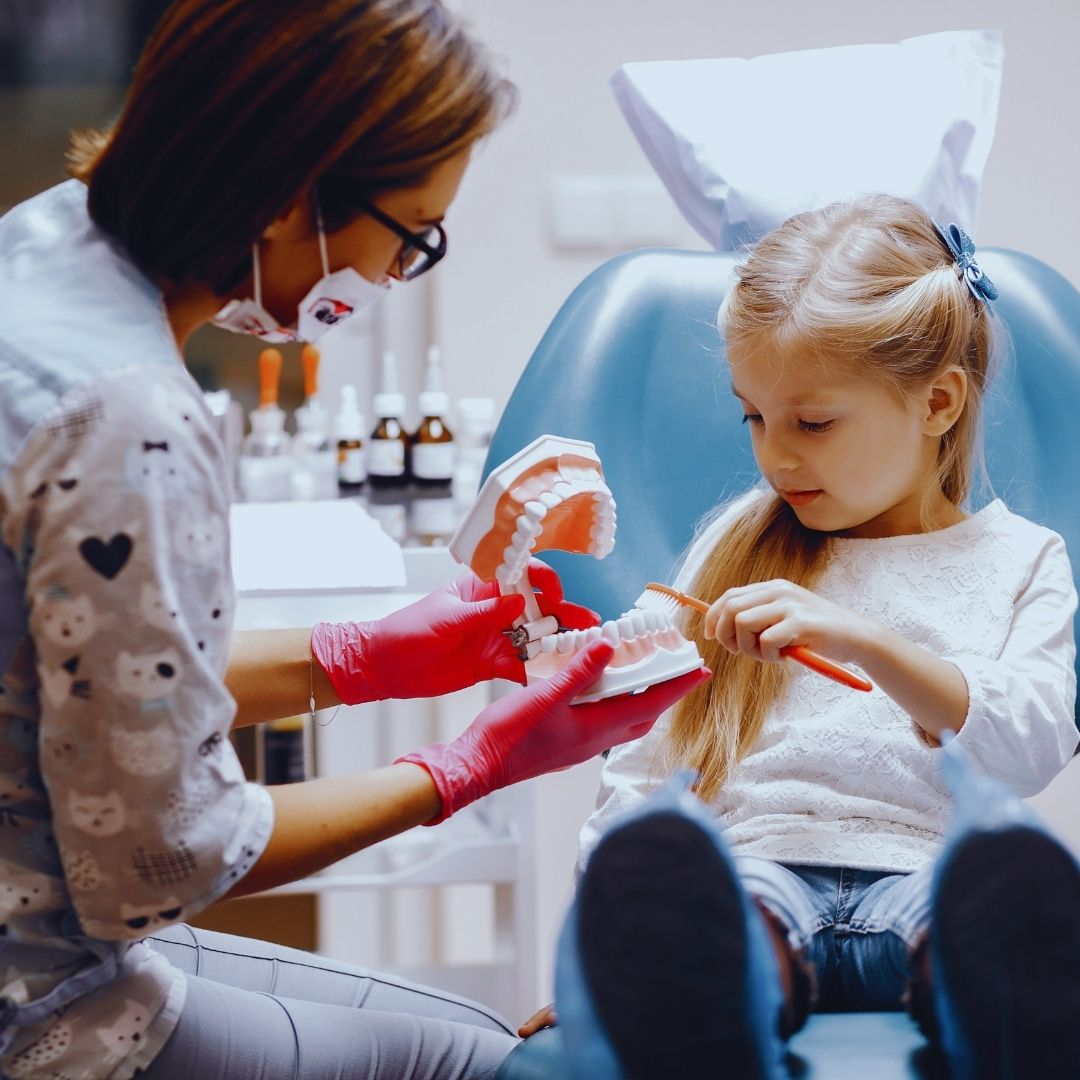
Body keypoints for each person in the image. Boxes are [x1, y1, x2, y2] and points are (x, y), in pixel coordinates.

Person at [0, 2, 708, 1078]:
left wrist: (361, 658)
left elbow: (83, 687)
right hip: (40, 1006)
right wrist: (472, 764)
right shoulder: (132, 421)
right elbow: (159, 859)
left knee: (472, 1028)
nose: (393, 275)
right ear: (294, 196)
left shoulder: (40, 246)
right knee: (510, 1062)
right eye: (411, 234)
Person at [519, 194, 1080, 1077]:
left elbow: (1032, 747)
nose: (775, 456)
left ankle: (1007, 1003)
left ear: (937, 402)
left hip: (922, 873)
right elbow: (647, 763)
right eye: (754, 416)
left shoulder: (1022, 559)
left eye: (812, 422)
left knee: (988, 914)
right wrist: (605, 958)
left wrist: (866, 640)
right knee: (704, 916)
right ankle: (693, 1001)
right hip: (759, 870)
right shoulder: (736, 543)